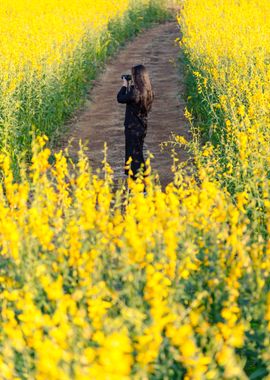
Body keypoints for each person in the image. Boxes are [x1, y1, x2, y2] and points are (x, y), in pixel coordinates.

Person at [117, 64, 154, 180]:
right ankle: (144, 179)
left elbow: (120, 98)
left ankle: (137, 183)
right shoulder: (148, 91)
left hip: (132, 128)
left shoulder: (134, 93)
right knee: (138, 153)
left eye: (133, 75)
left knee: (133, 155)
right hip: (142, 127)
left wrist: (124, 84)